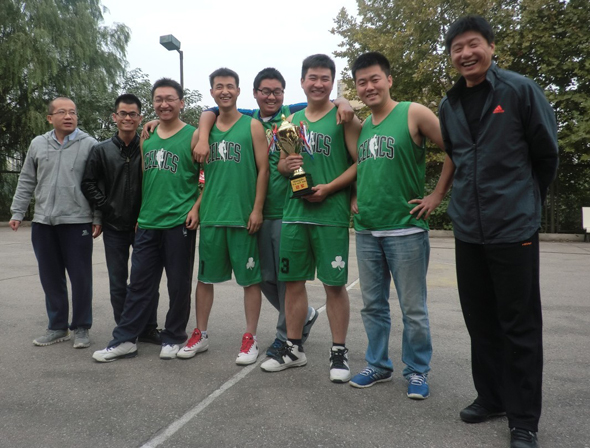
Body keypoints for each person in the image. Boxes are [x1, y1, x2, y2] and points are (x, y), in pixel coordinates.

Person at [440, 15, 558, 448]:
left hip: (513, 228)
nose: (466, 53)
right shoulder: (449, 104)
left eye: (473, 44)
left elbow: (546, 154)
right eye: (457, 48)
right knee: (480, 321)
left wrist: (525, 201)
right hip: (468, 229)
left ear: (491, 47)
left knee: (519, 326)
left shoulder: (519, 90)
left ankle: (524, 419)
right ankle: (491, 398)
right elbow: (457, 157)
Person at [192, 68, 354, 358]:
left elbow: (329, 102)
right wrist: (203, 133)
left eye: (277, 91)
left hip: (285, 208)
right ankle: (302, 316)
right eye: (265, 91)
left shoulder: (291, 115)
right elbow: (210, 110)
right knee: (264, 276)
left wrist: (344, 102)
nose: (271, 97)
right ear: (254, 93)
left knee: (286, 278)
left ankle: (285, 336)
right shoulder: (249, 118)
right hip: (254, 210)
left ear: (284, 93)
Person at [347, 52, 455, 399]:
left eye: (374, 79)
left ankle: (417, 370)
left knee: (413, 308)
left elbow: (455, 148)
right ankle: (378, 364)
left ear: (389, 80)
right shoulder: (363, 127)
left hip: (406, 229)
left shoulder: (413, 112)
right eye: (361, 82)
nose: (369, 86)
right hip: (367, 229)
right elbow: (363, 168)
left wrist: (437, 195)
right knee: (372, 306)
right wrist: (355, 195)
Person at [260, 54, 361, 383]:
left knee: (334, 285)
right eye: (312, 78)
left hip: (330, 215)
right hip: (295, 212)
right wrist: (286, 166)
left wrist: (330, 188)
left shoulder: (342, 116)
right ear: (302, 82)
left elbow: (360, 162)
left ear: (332, 82)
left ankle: (338, 351)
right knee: (292, 284)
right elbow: (283, 164)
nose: (318, 84)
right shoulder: (290, 121)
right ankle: (294, 348)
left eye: (324, 78)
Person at [92, 78, 200, 362]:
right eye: (158, 99)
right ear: (153, 104)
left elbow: (210, 177)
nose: (164, 104)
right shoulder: (147, 136)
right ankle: (126, 339)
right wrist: (141, 213)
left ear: (181, 103)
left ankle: (174, 336)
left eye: (170, 98)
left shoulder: (195, 136)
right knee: (139, 285)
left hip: (179, 222)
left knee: (178, 285)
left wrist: (197, 208)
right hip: (148, 223)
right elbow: (144, 179)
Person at [176, 68, 269, 365]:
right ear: (212, 92)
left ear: (238, 91)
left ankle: (250, 337)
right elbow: (198, 175)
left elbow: (263, 170)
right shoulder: (203, 131)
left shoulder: (252, 126)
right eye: (219, 86)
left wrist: (257, 209)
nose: (225, 90)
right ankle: (200, 333)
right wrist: (197, 207)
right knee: (204, 279)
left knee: (250, 282)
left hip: (243, 217)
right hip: (213, 216)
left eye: (230, 86)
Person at [9, 97, 100, 349]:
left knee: (81, 278)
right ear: (50, 118)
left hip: (77, 221)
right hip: (43, 222)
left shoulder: (90, 145)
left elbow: (98, 184)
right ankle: (58, 327)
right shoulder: (38, 143)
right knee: (50, 277)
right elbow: (27, 179)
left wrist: (97, 217)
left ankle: (81, 327)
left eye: (73, 112)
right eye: (62, 112)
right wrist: (17, 212)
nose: (68, 116)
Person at [81, 94, 160, 345]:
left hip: (144, 225)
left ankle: (148, 328)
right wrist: (107, 206)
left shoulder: (148, 146)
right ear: (115, 117)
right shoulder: (101, 150)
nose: (128, 118)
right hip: (114, 226)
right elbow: (88, 183)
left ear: (140, 117)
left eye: (133, 114)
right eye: (123, 113)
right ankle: (125, 329)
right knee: (117, 282)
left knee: (146, 281)